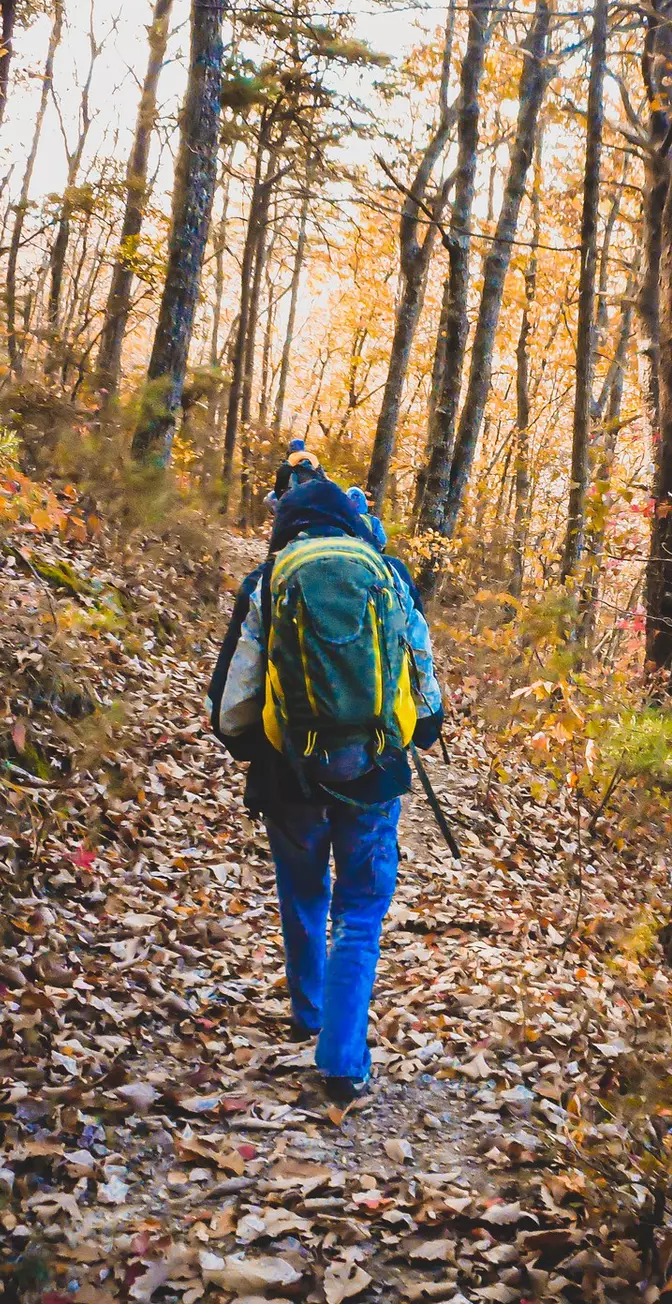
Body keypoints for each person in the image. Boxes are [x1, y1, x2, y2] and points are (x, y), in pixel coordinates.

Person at [207, 449, 443, 1105]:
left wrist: (259, 749)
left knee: (303, 890)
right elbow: (424, 679)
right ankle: (341, 1058)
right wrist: (417, 731)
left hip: (292, 775)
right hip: (373, 772)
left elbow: (231, 703)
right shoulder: (387, 574)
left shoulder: (270, 579)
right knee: (361, 910)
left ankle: (308, 1011)